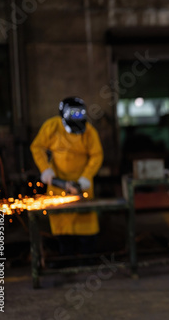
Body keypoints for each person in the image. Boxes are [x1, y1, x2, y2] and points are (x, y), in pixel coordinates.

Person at [30, 96, 104, 266]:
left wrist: (86, 178)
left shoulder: (89, 132)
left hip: (82, 185)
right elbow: (37, 147)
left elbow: (97, 155)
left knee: (86, 223)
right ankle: (66, 257)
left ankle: (87, 258)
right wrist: (45, 170)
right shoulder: (52, 127)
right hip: (57, 186)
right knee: (62, 223)